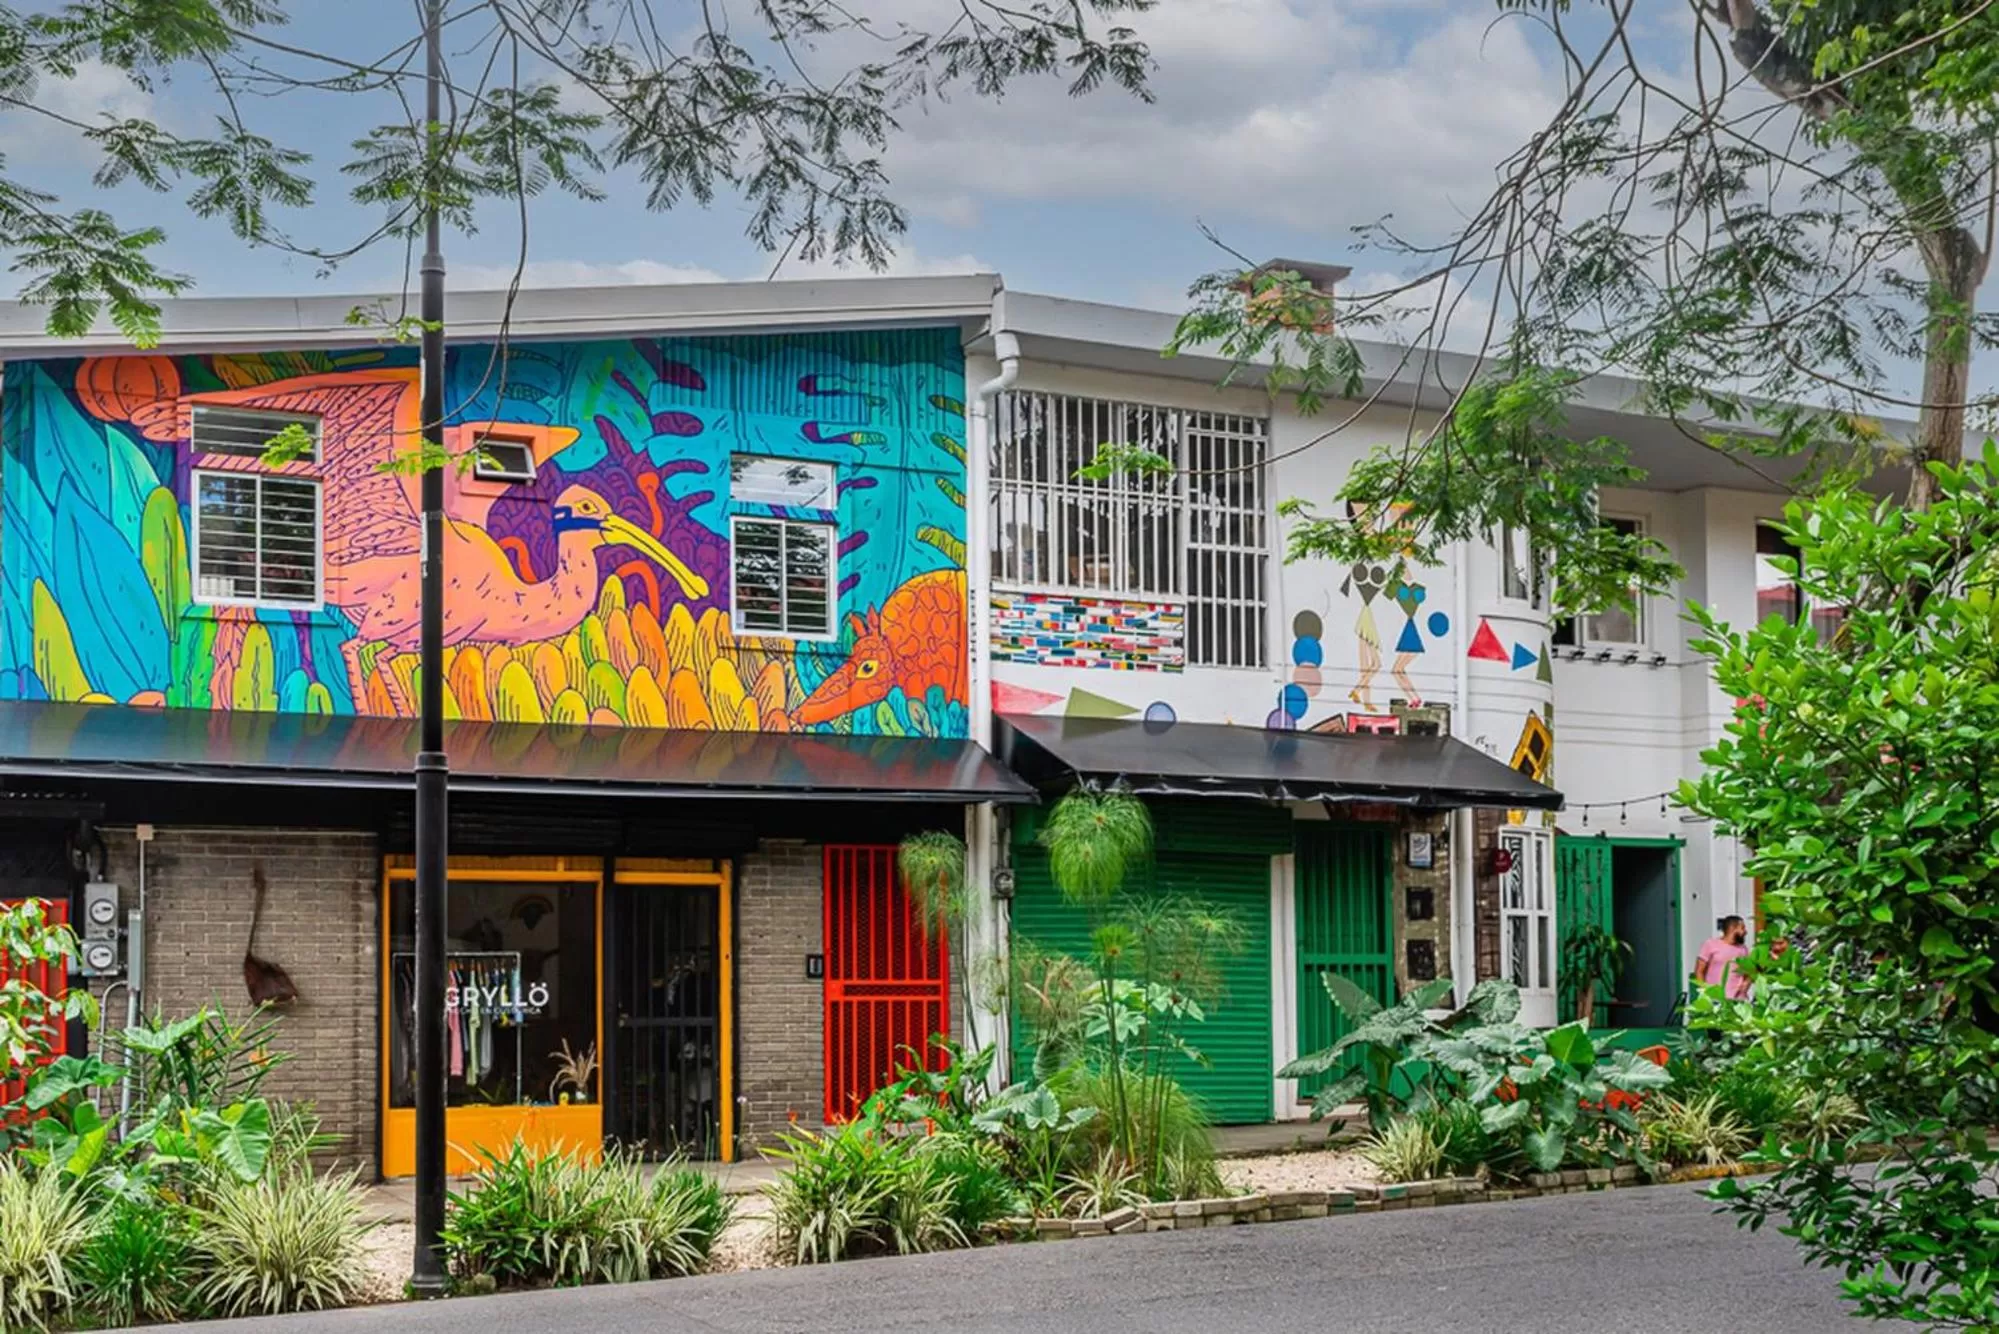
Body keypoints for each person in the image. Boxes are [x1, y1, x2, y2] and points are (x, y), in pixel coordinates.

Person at [1691, 915, 1751, 1000]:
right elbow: (1699, 971)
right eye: (1742, 928)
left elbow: (1749, 972)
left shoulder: (1743, 949)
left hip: (1738, 1000)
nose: (1745, 932)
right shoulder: (1710, 944)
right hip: (1715, 999)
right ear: (1732, 928)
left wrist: (1746, 984)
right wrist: (1705, 992)